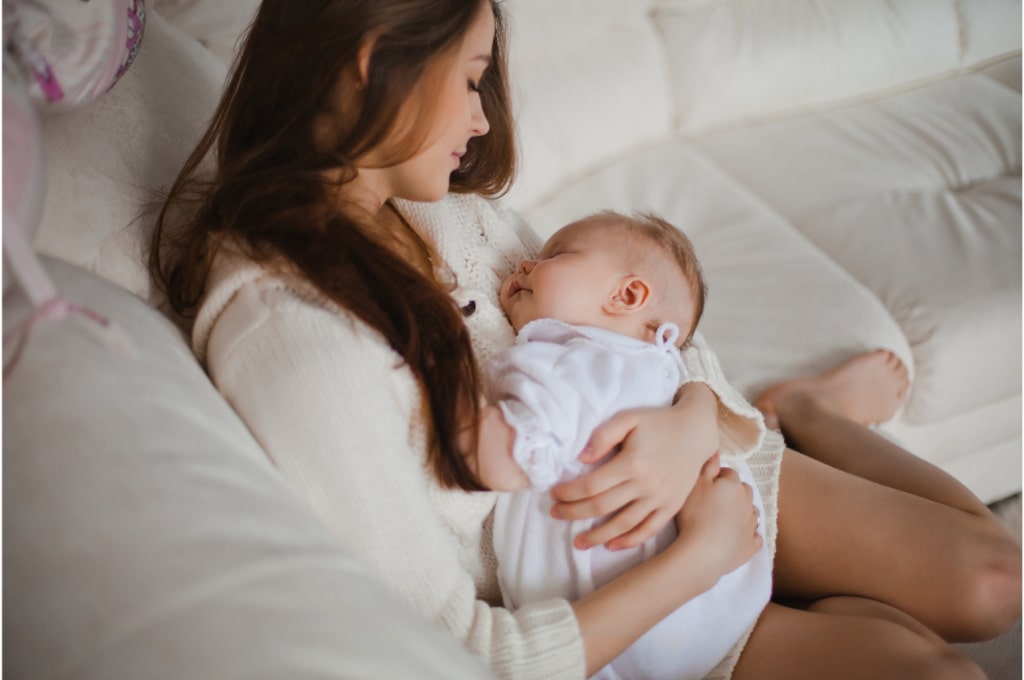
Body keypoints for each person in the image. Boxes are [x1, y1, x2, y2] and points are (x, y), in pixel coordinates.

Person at [149, 1, 1021, 678]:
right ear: (377, 64)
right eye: (471, 79)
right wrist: (704, 557)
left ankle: (811, 411)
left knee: (996, 585)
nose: (482, 120)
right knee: (932, 665)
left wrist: (693, 417)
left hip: (715, 476)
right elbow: (465, 649)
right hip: (637, 608)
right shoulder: (297, 339)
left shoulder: (443, 213)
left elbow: (646, 325)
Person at [469, 210, 771, 680]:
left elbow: (501, 460)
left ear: (628, 295)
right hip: (725, 601)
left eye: (553, 256)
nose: (523, 266)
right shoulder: (655, 369)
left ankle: (810, 413)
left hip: (625, 639)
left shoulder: (577, 363)